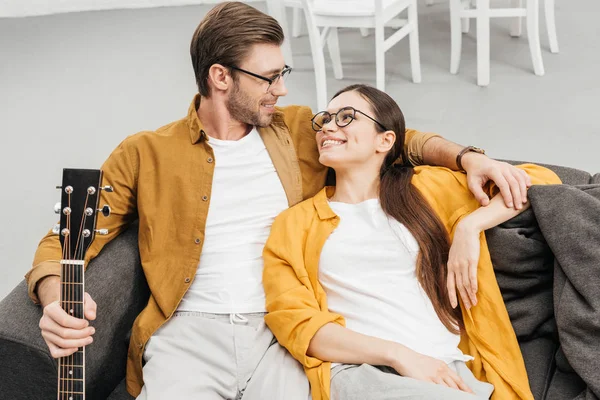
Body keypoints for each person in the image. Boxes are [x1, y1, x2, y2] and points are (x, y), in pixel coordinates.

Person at [26, 2, 533, 399]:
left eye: (283, 71)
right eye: (269, 78)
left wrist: (467, 158)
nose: (283, 89)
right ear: (220, 77)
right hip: (189, 335)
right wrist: (56, 301)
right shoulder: (145, 152)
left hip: (286, 336)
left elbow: (399, 136)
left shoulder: (299, 132)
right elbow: (63, 242)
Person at [262, 84, 561, 400]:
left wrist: (469, 227)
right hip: (364, 374)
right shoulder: (294, 224)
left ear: (385, 140)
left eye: (346, 117)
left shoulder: (426, 190)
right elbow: (296, 324)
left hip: (451, 373)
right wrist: (398, 354)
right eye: (324, 119)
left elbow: (539, 181)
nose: (328, 127)